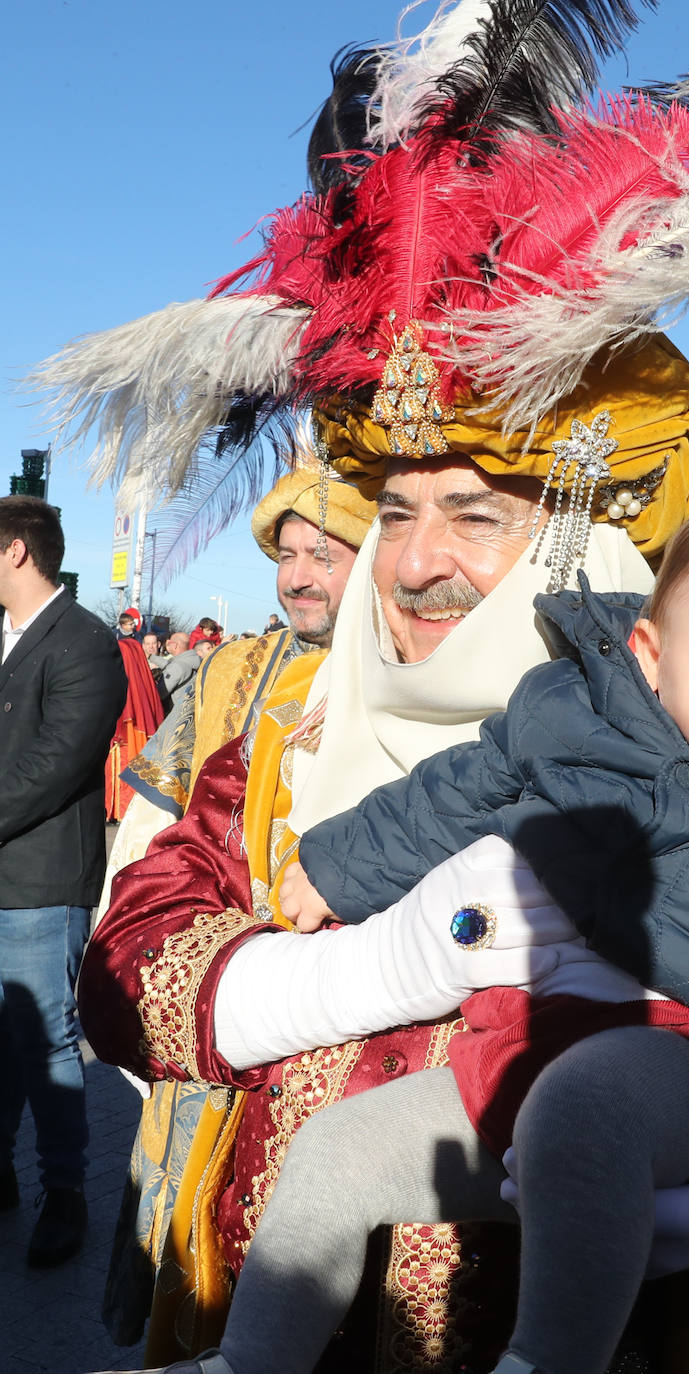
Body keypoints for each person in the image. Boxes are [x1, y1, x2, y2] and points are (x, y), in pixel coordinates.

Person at [41, 4, 689, 1368]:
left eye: (477, 513)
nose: (421, 559)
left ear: (586, 537)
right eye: (397, 510)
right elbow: (121, 967)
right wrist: (364, 970)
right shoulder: (256, 709)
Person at [255, 484, 689, 1374]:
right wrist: (338, 866)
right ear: (651, 652)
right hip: (525, 1035)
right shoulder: (571, 710)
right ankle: (248, 1357)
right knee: (341, 1151)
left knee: (585, 1112)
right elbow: (460, 788)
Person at [96, 460, 376, 1347]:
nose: (298, 574)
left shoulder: (408, 679)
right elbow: (147, 829)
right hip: (201, 1007)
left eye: (325, 554)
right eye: (287, 553)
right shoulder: (229, 670)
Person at [0, 495, 127, 1267]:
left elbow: (54, 767)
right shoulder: (8, 636)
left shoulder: (83, 642)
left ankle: (65, 1192)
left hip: (43, 878)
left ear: (17, 551)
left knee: (47, 1040)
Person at [105, 637, 164, 821]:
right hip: (139, 741)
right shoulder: (145, 680)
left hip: (122, 739)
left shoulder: (117, 676)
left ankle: (115, 810)